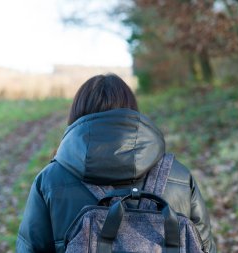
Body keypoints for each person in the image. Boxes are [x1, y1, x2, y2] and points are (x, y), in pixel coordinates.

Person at [16, 73, 216, 253]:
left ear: (76, 116)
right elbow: (205, 247)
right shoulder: (179, 176)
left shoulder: (50, 180)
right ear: (132, 112)